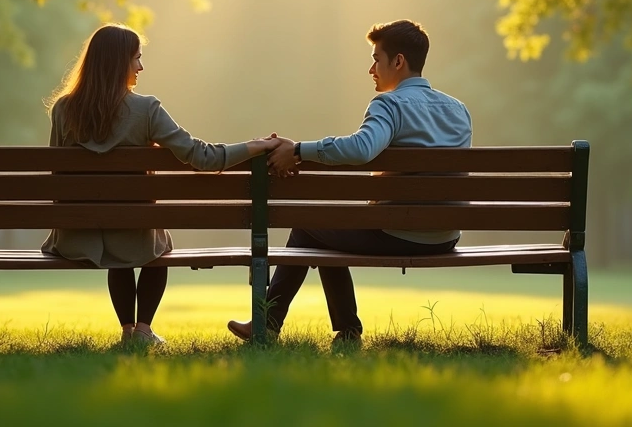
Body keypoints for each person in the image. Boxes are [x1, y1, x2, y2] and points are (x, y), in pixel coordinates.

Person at [227, 19, 472, 343]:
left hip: (399, 234)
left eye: (376, 59)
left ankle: (269, 325)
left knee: (308, 228)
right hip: (445, 236)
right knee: (326, 228)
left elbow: (361, 148)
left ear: (398, 61)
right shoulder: (458, 109)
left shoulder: (389, 104)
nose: (371, 69)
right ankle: (343, 329)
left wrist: (298, 150)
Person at [44, 24, 280, 344]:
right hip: (134, 234)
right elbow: (203, 157)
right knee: (156, 243)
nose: (141, 67)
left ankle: (128, 330)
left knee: (123, 233)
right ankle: (142, 330)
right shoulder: (146, 110)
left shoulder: (63, 109)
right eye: (136, 58)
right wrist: (253, 147)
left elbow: (57, 177)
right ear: (118, 62)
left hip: (76, 239)